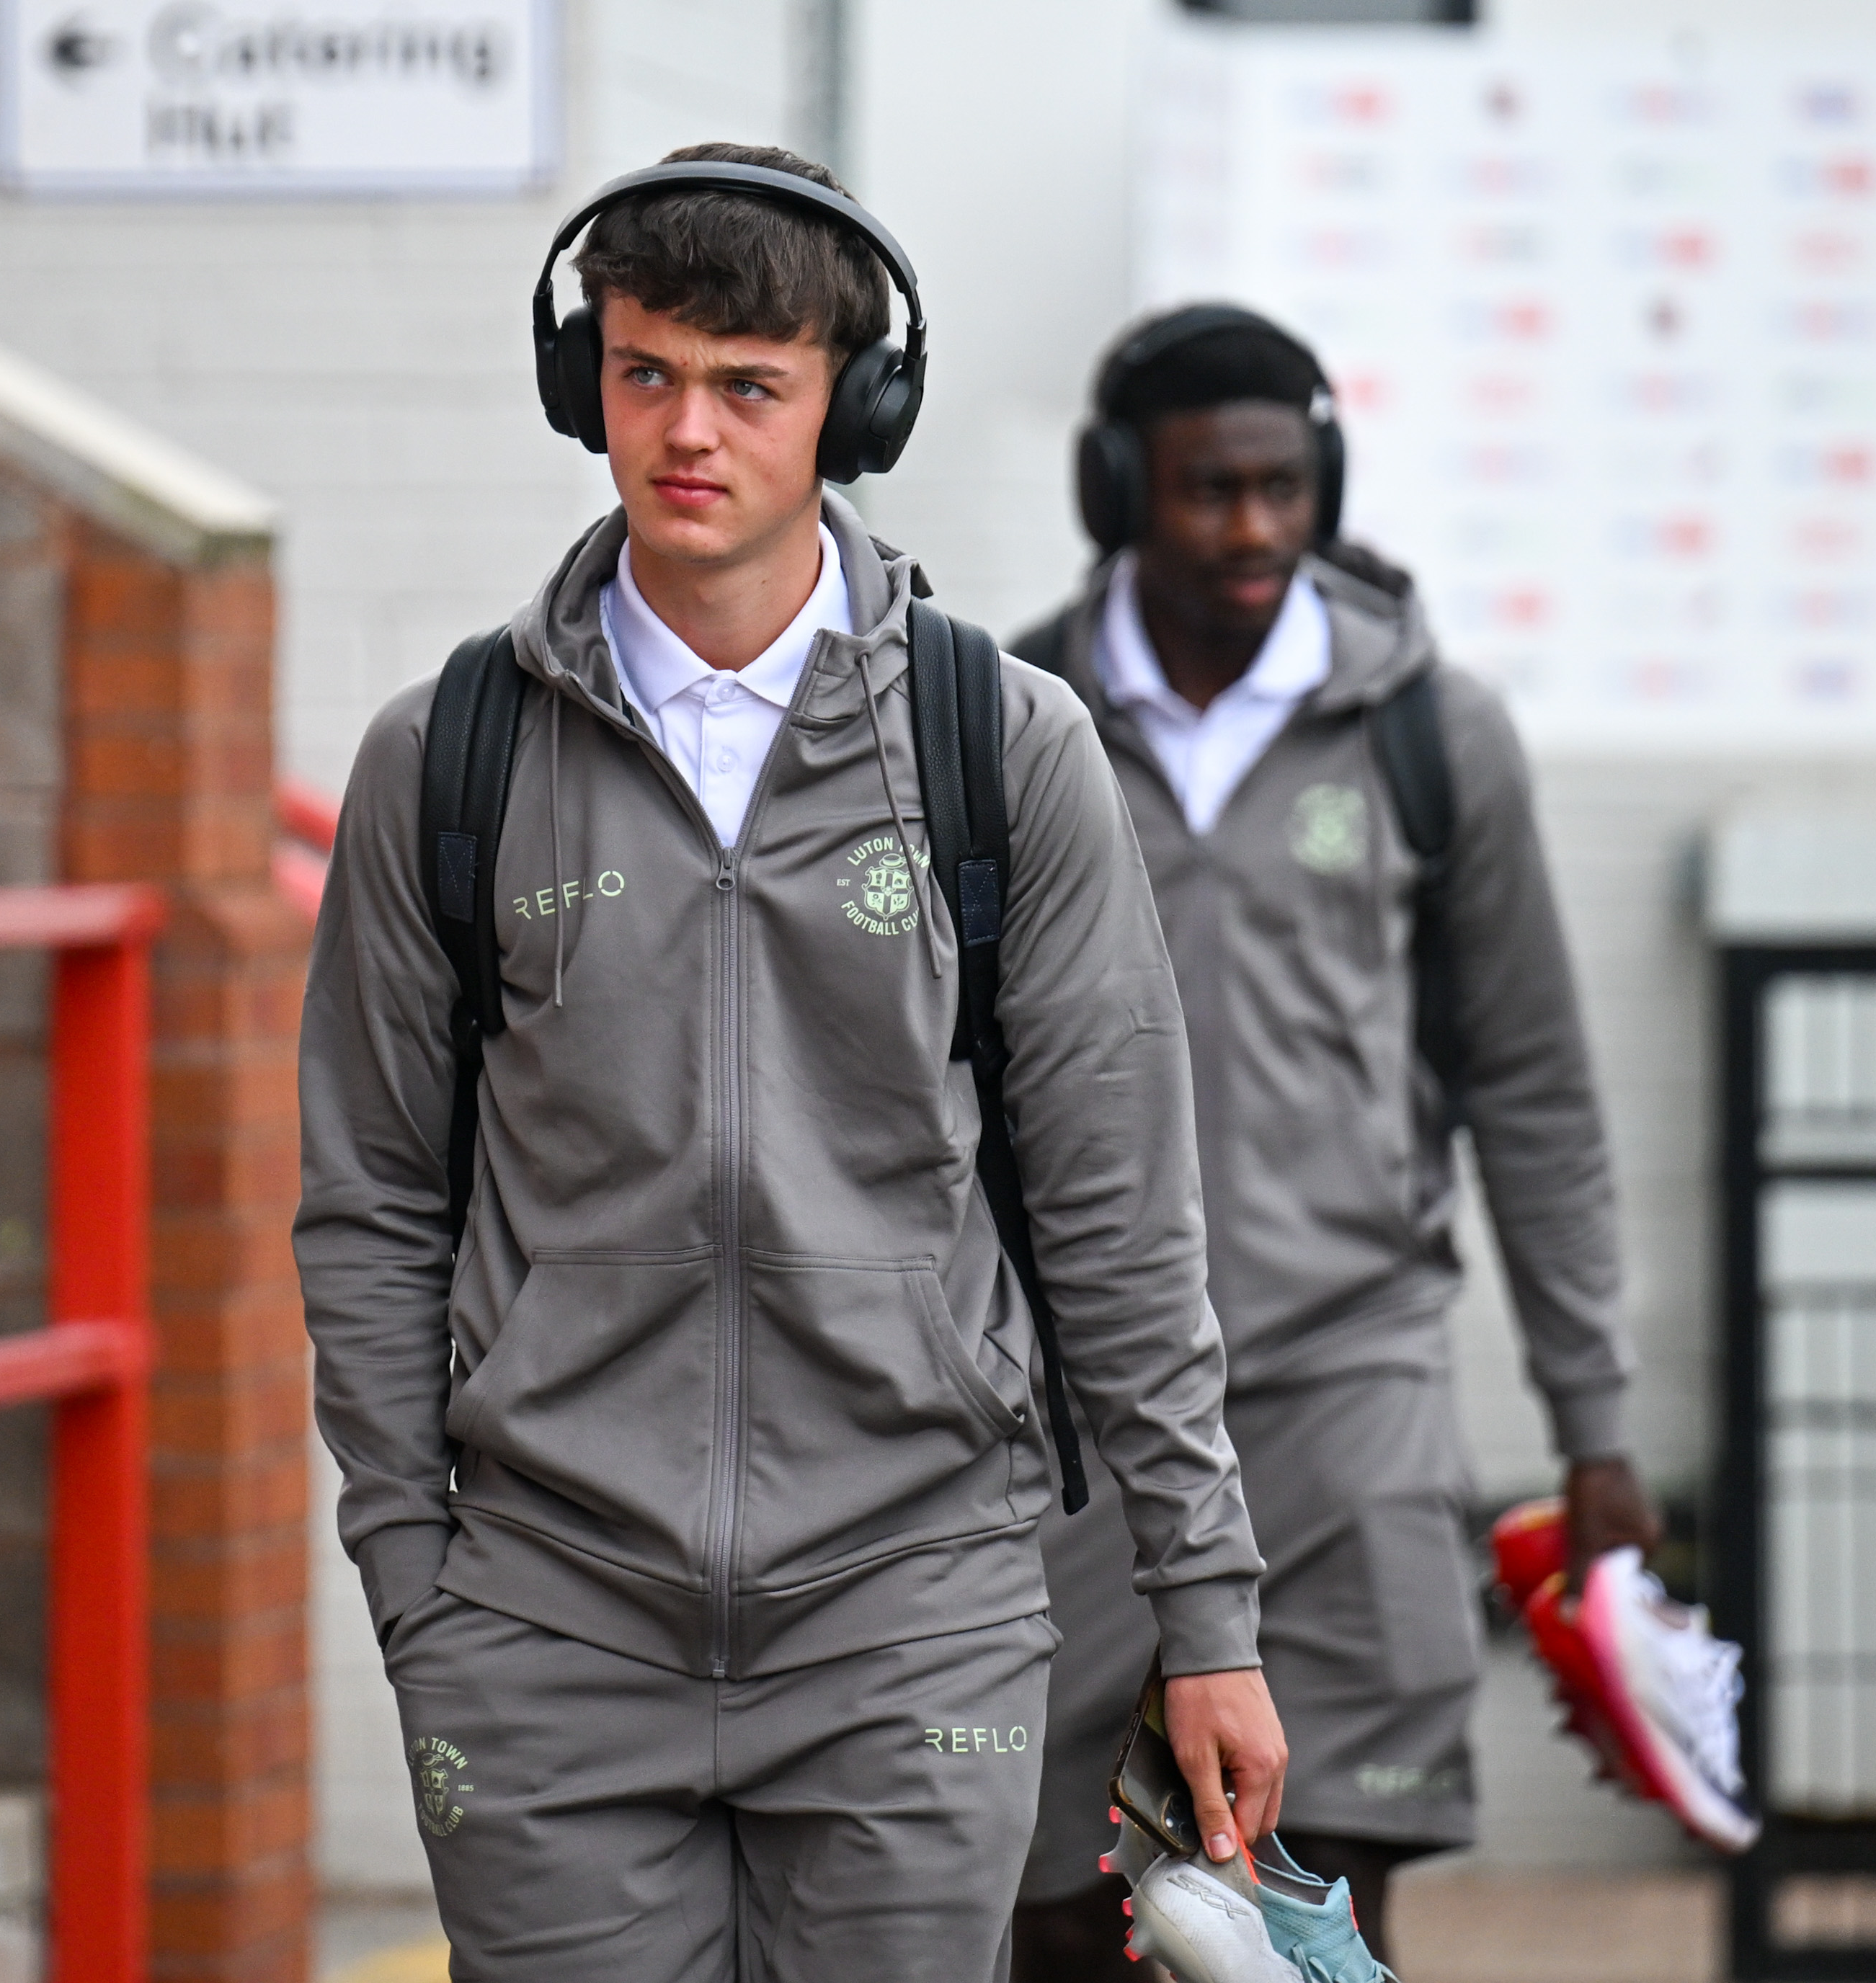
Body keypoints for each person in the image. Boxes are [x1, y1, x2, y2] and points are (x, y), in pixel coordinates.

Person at [296, 148, 1284, 1983]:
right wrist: (412, 1583)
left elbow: (1120, 1213)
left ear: (855, 406)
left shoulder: (1004, 746)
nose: (689, 430)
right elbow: (367, 1204)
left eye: (751, 384)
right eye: (647, 369)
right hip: (540, 1629)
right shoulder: (445, 755)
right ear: (581, 376)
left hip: (917, 1619)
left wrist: (1204, 1607)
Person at [1004, 307, 1661, 1977]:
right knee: (1068, 1898)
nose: (1253, 530)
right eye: (1210, 491)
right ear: (1116, 494)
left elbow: (1533, 1087)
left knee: (1323, 1894)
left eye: (1285, 488)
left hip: (1350, 1383)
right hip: (1074, 1408)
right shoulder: (1000, 724)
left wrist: (1593, 1420)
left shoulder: (1432, 737)